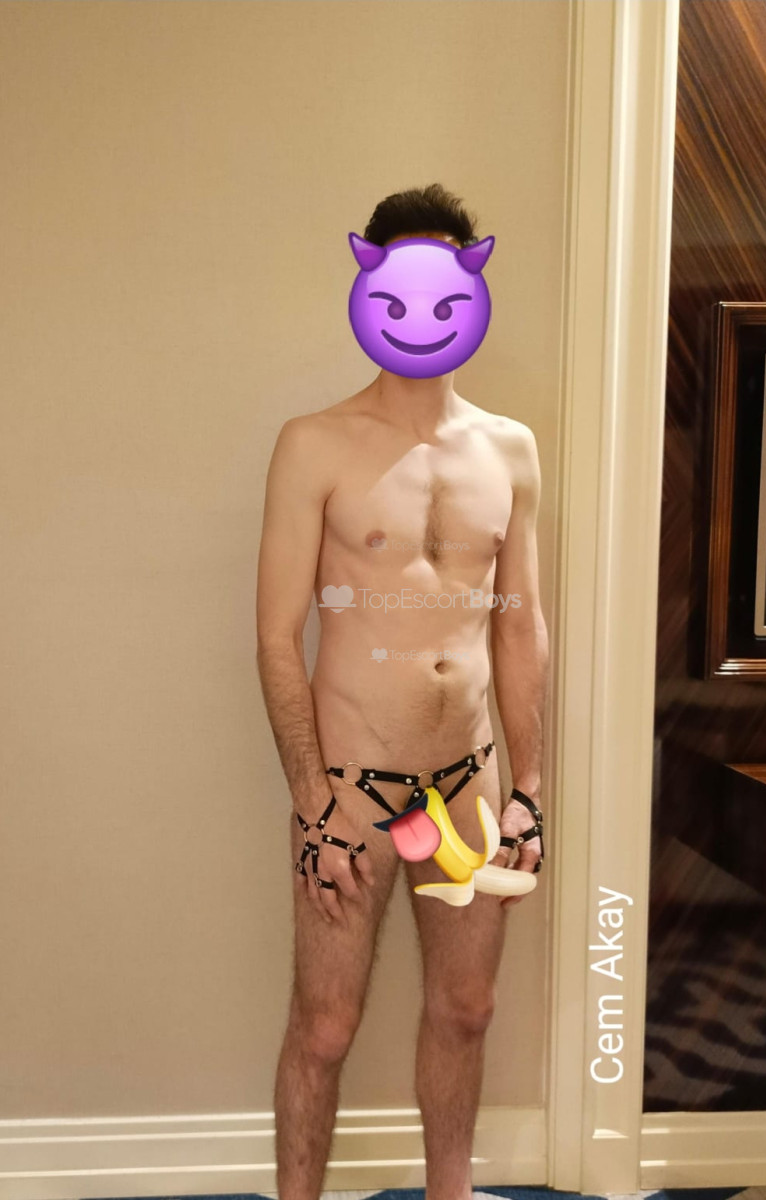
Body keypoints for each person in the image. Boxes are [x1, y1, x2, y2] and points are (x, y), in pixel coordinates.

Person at [256, 181, 549, 1200]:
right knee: (325, 1026)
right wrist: (312, 803)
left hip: (467, 783)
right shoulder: (314, 443)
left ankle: (448, 1194)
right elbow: (275, 636)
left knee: (466, 1011)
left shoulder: (509, 449)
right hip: (351, 787)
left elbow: (521, 625)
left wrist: (530, 786)